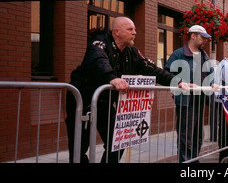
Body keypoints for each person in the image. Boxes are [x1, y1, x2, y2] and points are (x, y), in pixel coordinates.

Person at [65, 17, 188, 163]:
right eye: (130, 29)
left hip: (104, 103)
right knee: (79, 149)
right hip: (82, 103)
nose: (135, 33)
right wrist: (112, 78)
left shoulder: (132, 52)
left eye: (134, 29)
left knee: (117, 142)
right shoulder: (99, 43)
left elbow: (153, 70)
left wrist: (177, 82)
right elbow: (98, 60)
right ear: (116, 32)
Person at [164, 25, 217, 162]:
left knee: (198, 135)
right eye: (202, 37)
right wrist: (183, 82)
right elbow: (167, 74)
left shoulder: (204, 55)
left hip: (199, 100)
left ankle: (194, 160)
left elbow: (210, 72)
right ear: (193, 36)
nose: (205, 40)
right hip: (185, 102)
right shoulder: (178, 54)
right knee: (185, 136)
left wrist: (212, 83)